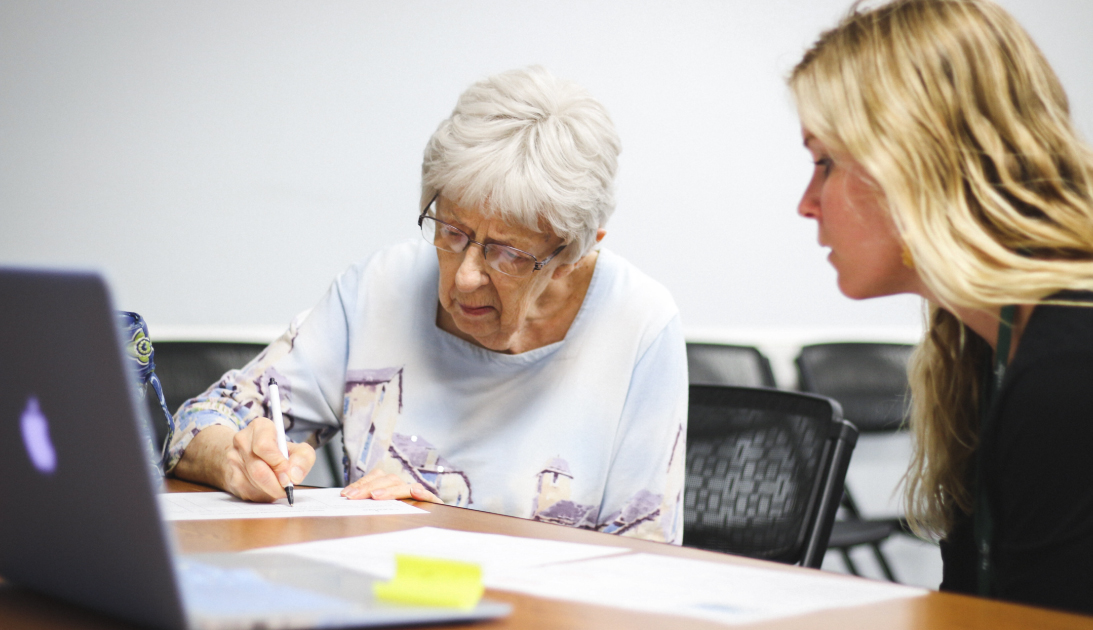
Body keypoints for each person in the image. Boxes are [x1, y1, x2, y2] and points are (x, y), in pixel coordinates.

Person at [165, 66, 688, 544]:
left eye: (507, 253)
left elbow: (643, 559)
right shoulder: (379, 289)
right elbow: (196, 424)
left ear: (572, 254)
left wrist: (443, 530)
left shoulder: (638, 325)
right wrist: (235, 459)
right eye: (451, 231)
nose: (465, 277)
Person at [790, 0, 1093, 614]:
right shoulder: (981, 349)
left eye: (825, 163)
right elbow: (977, 605)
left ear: (915, 163)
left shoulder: (1069, 371)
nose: (807, 203)